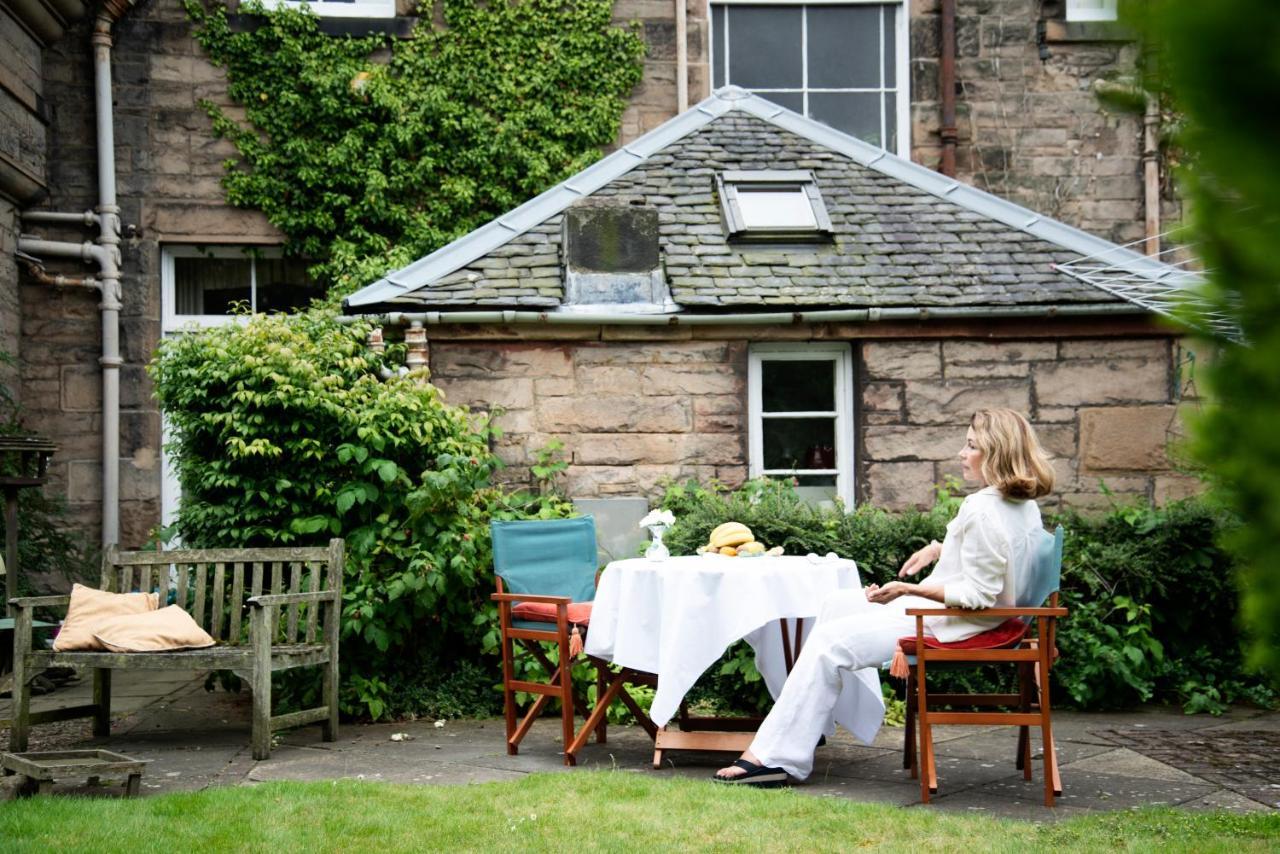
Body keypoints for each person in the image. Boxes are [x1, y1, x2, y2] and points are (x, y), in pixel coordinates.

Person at [714, 408, 1056, 786]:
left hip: (959, 626)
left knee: (829, 641)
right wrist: (939, 548)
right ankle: (811, 723)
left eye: (972, 446)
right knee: (836, 604)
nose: (961, 452)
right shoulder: (1023, 507)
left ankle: (778, 756)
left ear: (996, 453)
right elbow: (1001, 557)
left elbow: (977, 594)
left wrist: (908, 589)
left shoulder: (981, 509)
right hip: (989, 620)